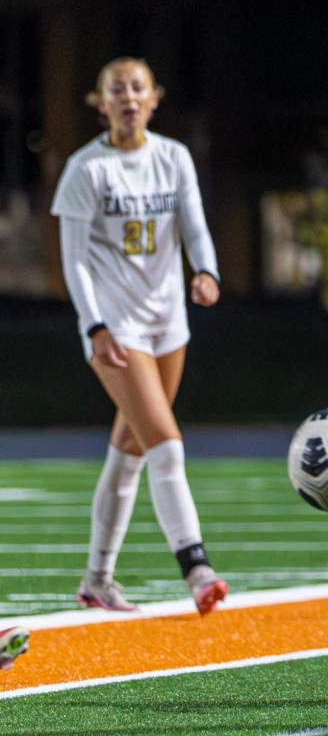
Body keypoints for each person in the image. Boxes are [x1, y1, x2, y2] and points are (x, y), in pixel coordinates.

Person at [50, 57, 228, 616]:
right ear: (99, 103)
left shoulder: (172, 157)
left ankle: (97, 581)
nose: (128, 97)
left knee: (130, 452)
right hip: (117, 328)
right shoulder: (86, 169)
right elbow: (74, 261)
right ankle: (196, 567)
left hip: (168, 322)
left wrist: (206, 270)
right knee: (165, 442)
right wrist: (94, 325)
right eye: (116, 90)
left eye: (137, 87)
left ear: (155, 98)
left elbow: (195, 225)